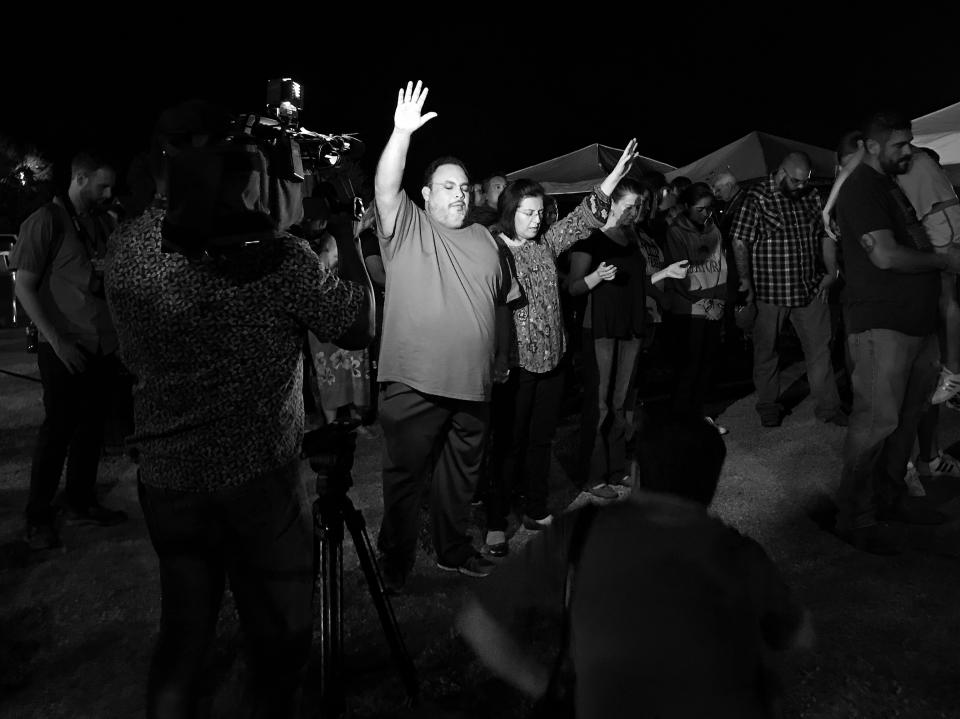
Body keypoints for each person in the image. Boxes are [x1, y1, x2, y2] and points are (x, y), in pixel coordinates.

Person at [103, 100, 374, 716]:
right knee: (277, 642)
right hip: (259, 482)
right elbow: (356, 323)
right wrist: (345, 237)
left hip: (169, 480)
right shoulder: (272, 258)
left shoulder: (125, 251)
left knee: (184, 636)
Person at [456, 417, 814, 719]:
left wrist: (545, 686)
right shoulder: (740, 555)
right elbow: (798, 637)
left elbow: (478, 622)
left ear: (636, 472)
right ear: (712, 484)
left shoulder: (581, 531)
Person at [373, 81, 519, 589]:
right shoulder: (408, 225)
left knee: (461, 478)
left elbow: (501, 302)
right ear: (427, 194)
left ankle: (452, 549)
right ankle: (395, 559)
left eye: (465, 186)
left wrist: (502, 352)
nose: (460, 193)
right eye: (448, 186)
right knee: (405, 480)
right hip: (413, 383)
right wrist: (401, 133)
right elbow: (386, 189)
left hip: (472, 384)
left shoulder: (486, 240)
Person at [483, 141, 641, 556]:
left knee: (540, 441)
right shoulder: (492, 250)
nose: (536, 220)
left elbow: (582, 219)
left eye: (539, 213)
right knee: (508, 444)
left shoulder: (545, 245)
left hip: (552, 360)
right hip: (516, 367)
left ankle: (534, 507)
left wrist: (611, 180)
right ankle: (497, 521)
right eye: (527, 213)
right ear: (509, 212)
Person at [833, 110, 960, 554]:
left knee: (906, 418)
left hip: (914, 323)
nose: (908, 151)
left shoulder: (889, 184)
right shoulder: (862, 190)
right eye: (899, 145)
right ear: (871, 145)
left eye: (909, 143)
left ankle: (891, 498)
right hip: (881, 326)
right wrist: (945, 261)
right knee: (874, 424)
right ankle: (856, 516)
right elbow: (885, 255)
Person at [10, 150, 128, 550]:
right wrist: (57, 342)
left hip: (99, 347)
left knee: (90, 430)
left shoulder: (98, 222)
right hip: (64, 347)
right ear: (79, 179)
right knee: (57, 432)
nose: (109, 193)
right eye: (102, 186)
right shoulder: (46, 221)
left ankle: (80, 500)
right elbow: (23, 286)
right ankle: (37, 516)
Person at [569, 179, 688, 499]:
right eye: (629, 205)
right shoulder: (589, 238)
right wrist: (596, 277)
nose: (636, 211)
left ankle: (616, 469)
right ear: (611, 204)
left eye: (639, 206)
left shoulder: (631, 236)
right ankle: (593, 476)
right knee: (601, 405)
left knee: (621, 404)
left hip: (632, 326)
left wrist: (665, 274)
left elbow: (639, 281)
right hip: (602, 329)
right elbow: (574, 287)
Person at [731, 153, 846, 428]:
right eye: (795, 181)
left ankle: (829, 408)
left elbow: (824, 235)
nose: (800, 186)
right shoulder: (757, 196)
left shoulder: (810, 196)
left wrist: (832, 272)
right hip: (769, 292)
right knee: (766, 351)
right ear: (780, 173)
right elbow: (739, 241)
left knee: (820, 351)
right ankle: (768, 405)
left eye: (804, 182)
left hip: (808, 288)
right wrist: (745, 281)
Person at [664, 182, 729, 433]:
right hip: (689, 310)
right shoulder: (675, 232)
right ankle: (682, 422)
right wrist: (703, 301)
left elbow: (721, 266)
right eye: (701, 210)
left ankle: (699, 417)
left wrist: (720, 300)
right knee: (687, 368)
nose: (707, 214)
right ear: (687, 207)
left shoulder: (714, 229)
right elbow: (678, 274)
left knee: (706, 366)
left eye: (709, 209)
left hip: (713, 307)